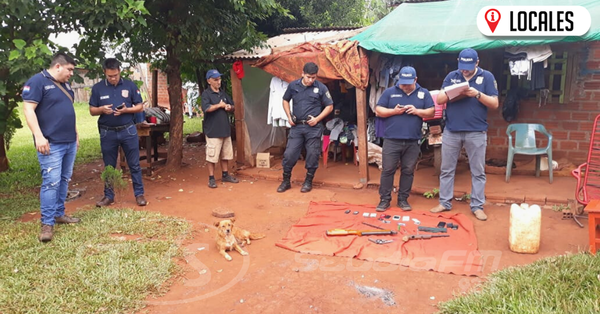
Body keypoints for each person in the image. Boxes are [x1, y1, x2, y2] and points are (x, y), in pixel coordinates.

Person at [430, 48, 499, 221]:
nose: (464, 70)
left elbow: (494, 103)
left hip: (476, 131)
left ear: (477, 63)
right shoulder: (452, 76)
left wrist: (477, 94)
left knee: (478, 171)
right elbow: (439, 99)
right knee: (446, 169)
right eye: (462, 66)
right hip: (452, 130)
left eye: (468, 66)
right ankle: (444, 202)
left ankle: (477, 206)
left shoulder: (487, 77)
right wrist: (455, 92)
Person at [22, 52, 81, 242]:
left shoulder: (66, 85)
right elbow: (28, 109)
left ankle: (59, 213)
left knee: (64, 179)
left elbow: (68, 111)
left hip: (69, 141)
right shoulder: (37, 82)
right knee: (51, 182)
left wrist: (76, 133)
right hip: (50, 143)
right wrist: (39, 136)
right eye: (69, 69)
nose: (71, 73)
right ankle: (47, 224)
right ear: (58, 66)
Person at [89, 58, 147, 207]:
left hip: (128, 130)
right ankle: (109, 196)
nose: (113, 78)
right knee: (109, 166)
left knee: (134, 164)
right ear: (105, 73)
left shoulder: (130, 85)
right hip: (107, 132)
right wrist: (102, 109)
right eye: (110, 76)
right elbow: (92, 110)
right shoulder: (97, 88)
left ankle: (139, 194)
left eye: (115, 75)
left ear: (119, 71)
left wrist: (127, 110)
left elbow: (140, 106)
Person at [375, 66, 435, 212]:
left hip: (413, 140)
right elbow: (378, 110)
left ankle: (403, 199)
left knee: (408, 171)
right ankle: (384, 199)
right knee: (387, 170)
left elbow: (431, 111)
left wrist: (417, 111)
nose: (405, 86)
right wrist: (393, 111)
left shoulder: (424, 93)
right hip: (391, 140)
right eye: (402, 83)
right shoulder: (390, 92)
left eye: (408, 83)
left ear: (415, 80)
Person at [277, 62, 334, 193]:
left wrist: (317, 119)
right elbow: (285, 100)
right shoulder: (293, 86)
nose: (310, 80)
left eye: (313, 77)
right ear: (302, 74)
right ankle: (286, 181)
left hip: (313, 127)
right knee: (290, 154)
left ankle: (308, 181)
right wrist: (289, 116)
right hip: (297, 126)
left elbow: (329, 106)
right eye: (308, 77)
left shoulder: (321, 88)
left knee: (313, 154)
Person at [201, 69, 239, 188]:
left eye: (219, 79)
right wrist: (220, 105)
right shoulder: (206, 94)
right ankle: (211, 178)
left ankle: (225, 174)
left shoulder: (222, 93)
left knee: (225, 155)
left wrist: (229, 107)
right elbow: (206, 108)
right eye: (215, 80)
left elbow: (233, 106)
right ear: (209, 81)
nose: (219, 82)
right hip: (213, 130)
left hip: (225, 130)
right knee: (212, 156)